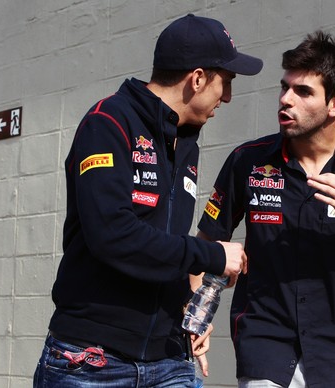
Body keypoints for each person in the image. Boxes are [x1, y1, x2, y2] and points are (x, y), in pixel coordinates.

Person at [33, 14, 262, 388]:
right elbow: (114, 234)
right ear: (198, 78)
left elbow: (165, 243)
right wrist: (213, 254)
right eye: (227, 81)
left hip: (169, 357)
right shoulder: (108, 122)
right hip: (92, 361)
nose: (230, 97)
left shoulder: (187, 142)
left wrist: (189, 311)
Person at [196, 31, 335, 387]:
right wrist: (195, 317)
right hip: (266, 345)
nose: (285, 100)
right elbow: (205, 245)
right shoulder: (247, 161)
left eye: (303, 91)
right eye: (284, 88)